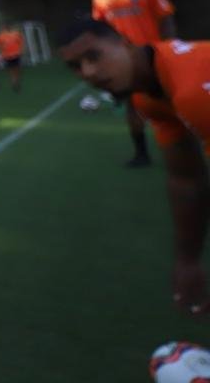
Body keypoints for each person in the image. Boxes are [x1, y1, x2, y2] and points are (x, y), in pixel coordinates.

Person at [57, 18, 209, 316]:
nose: (88, 73)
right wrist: (187, 260)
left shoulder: (193, 90)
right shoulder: (147, 96)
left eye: (94, 56)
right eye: (76, 66)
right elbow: (185, 179)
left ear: (125, 43)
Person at [91, 0, 177, 168]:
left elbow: (166, 18)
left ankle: (182, 147)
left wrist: (170, 47)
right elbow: (100, 31)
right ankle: (142, 154)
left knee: (171, 102)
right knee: (133, 106)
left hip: (155, 55)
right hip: (125, 62)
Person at [0, 24, 25, 92]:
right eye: (5, 27)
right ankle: (14, 83)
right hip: (7, 56)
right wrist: (0, 54)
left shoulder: (16, 34)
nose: (6, 28)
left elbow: (21, 42)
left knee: (18, 69)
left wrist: (22, 50)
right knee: (11, 70)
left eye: (7, 27)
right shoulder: (0, 36)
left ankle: (16, 80)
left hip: (16, 54)